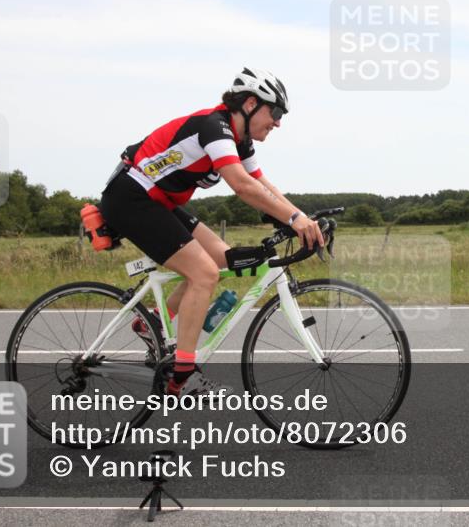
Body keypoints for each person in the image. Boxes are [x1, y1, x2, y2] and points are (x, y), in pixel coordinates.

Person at [98, 67, 324, 398]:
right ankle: (182, 377)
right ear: (249, 104)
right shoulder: (214, 126)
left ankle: (155, 323)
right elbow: (242, 186)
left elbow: (263, 185)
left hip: (158, 202)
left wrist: (304, 218)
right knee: (203, 273)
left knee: (223, 259)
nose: (277, 122)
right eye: (275, 112)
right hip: (131, 196)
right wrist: (293, 219)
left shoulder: (240, 141)